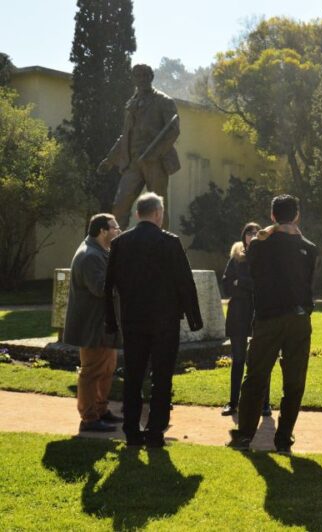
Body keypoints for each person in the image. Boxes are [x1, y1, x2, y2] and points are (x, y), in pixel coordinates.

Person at [104, 192, 203, 447]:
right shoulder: (169, 242)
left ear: (138, 214)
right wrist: (194, 319)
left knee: (134, 376)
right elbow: (185, 283)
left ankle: (131, 431)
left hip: (133, 319)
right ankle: (156, 431)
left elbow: (108, 285)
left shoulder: (120, 243)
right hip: (164, 321)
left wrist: (111, 320)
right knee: (162, 378)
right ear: (158, 214)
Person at [228, 195, 317, 453]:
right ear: (297, 215)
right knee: (294, 380)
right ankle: (284, 436)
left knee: (255, 376)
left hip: (268, 317)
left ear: (272, 215)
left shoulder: (259, 246)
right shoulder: (310, 248)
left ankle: (245, 435)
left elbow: (253, 264)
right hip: (299, 318)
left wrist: (271, 230)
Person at [97, 64, 180, 230]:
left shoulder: (164, 101)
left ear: (151, 77)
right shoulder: (131, 105)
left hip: (155, 162)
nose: (141, 79)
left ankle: (160, 245)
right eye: (137, 76)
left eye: (144, 76)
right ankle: (117, 246)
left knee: (158, 208)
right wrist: (110, 160)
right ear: (133, 79)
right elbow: (125, 137)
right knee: (120, 204)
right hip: (133, 163)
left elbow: (173, 131)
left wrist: (155, 154)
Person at [63, 213, 122, 433]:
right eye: (115, 228)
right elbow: (100, 288)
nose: (118, 231)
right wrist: (126, 281)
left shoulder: (101, 252)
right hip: (93, 326)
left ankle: (100, 409)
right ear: (102, 231)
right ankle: (89, 418)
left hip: (103, 325)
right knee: (91, 372)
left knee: (107, 369)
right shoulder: (89, 256)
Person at [221, 222, 273, 418]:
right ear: (243, 236)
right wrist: (245, 284)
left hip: (260, 312)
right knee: (238, 360)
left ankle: (264, 404)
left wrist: (240, 282)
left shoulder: (266, 257)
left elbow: (265, 284)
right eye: (247, 232)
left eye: (254, 232)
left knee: (261, 360)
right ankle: (233, 403)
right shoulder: (235, 256)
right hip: (238, 314)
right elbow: (226, 285)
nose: (251, 235)